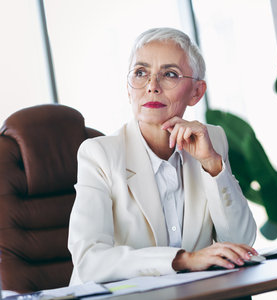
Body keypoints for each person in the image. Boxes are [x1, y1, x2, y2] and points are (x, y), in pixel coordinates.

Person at [67, 27, 257, 285]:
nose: (152, 86)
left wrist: (212, 165)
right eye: (141, 73)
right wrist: (182, 260)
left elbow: (241, 242)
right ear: (128, 88)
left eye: (169, 74)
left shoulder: (212, 139)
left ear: (196, 92)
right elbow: (89, 260)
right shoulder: (99, 155)